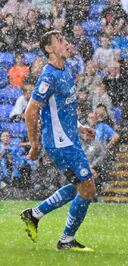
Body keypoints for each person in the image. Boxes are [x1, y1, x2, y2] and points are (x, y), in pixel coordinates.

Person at [21, 30, 96, 251]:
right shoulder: (49, 76)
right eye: (60, 41)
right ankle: (66, 240)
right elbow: (30, 112)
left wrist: (81, 126)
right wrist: (34, 144)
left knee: (79, 188)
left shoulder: (66, 70)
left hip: (69, 138)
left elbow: (63, 109)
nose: (65, 43)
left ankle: (34, 215)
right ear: (49, 49)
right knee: (88, 189)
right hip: (60, 143)